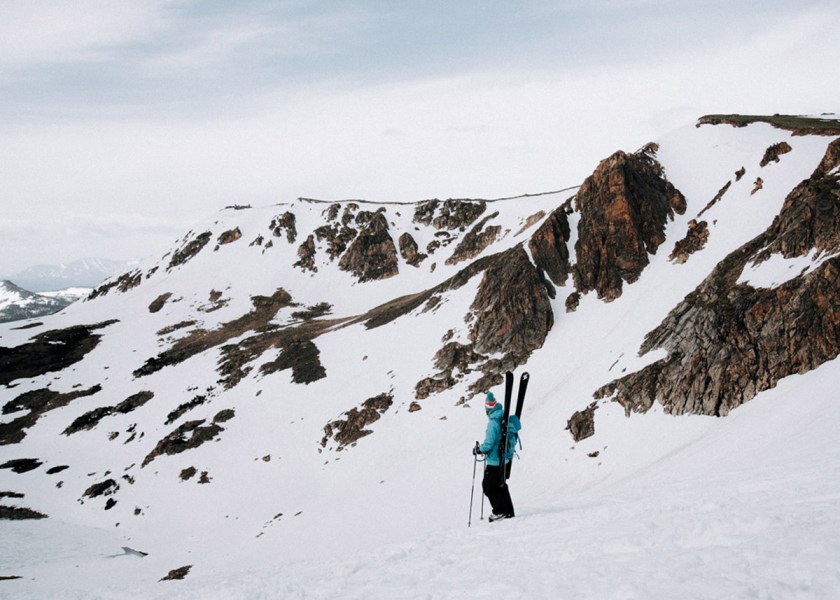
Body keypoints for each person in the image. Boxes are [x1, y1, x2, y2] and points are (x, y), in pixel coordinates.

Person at [473, 391, 514, 522]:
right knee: (501, 485)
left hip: (495, 461)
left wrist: (479, 449)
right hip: (505, 459)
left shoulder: (493, 423)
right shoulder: (503, 418)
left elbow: (489, 443)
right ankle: (508, 511)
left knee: (488, 487)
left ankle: (499, 511)